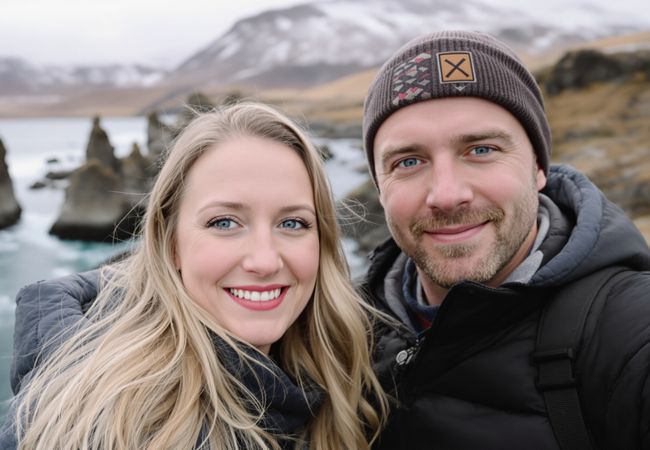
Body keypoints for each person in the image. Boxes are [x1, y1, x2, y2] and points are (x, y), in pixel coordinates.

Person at [0, 102, 387, 450]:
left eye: (292, 223)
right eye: (224, 222)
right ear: (171, 244)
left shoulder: (345, 378)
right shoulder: (103, 427)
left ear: (322, 240)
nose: (265, 261)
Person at [361, 30, 650, 449]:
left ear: (538, 167)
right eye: (408, 161)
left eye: (481, 150)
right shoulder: (334, 334)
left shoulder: (630, 331)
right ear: (380, 188)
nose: (447, 194)